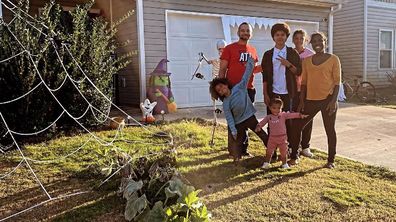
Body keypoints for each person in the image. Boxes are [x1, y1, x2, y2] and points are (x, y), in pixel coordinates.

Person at [288, 32, 341, 169]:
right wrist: (301, 101)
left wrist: (333, 101)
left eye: (320, 40)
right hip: (310, 100)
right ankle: (294, 156)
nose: (317, 43)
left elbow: (337, 83)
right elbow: (304, 82)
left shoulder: (334, 59)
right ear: (311, 43)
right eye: (314, 41)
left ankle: (331, 160)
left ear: (325, 42)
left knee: (330, 130)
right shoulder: (306, 61)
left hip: (328, 100)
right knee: (297, 126)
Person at [210, 56, 268, 162]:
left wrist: (250, 62)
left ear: (226, 85)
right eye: (219, 90)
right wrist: (233, 130)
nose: (222, 89)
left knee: (261, 133)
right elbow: (229, 118)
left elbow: (247, 75)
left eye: (222, 86)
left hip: (250, 117)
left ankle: (271, 151)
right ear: (219, 94)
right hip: (238, 122)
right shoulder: (226, 103)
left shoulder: (239, 87)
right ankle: (237, 159)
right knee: (238, 141)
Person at [219, 22, 262, 157]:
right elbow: (222, 69)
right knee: (234, 121)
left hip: (248, 90)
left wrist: (266, 65)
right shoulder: (229, 49)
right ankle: (233, 151)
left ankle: (243, 149)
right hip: (232, 91)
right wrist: (221, 90)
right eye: (242, 31)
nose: (245, 33)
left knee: (247, 120)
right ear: (238, 33)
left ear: (251, 33)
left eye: (247, 31)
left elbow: (252, 70)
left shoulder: (253, 50)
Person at [261, 23, 302, 161]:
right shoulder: (268, 54)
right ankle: (272, 151)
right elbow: (265, 77)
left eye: (283, 35)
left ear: (286, 37)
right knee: (272, 123)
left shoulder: (292, 53)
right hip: (273, 93)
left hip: (288, 94)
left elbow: (299, 71)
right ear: (273, 37)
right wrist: (265, 94)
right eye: (277, 34)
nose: (280, 37)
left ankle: (290, 152)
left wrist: (288, 64)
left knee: (288, 123)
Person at [255, 97, 308, 169]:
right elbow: (262, 122)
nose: (276, 110)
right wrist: (258, 127)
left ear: (282, 108)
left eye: (279, 108)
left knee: (283, 152)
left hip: (282, 138)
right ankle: (266, 163)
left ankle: (284, 164)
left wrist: (300, 115)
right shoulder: (269, 117)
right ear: (270, 108)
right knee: (269, 151)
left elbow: (292, 115)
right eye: (274, 108)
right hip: (272, 138)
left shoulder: (283, 115)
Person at [292, 29, 315, 158]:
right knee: (295, 118)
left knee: (307, 118)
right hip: (293, 91)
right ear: (293, 40)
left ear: (306, 41)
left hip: (307, 91)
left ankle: (305, 146)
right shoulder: (290, 53)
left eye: (302, 38)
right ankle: (295, 144)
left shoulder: (310, 54)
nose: (299, 40)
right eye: (296, 38)